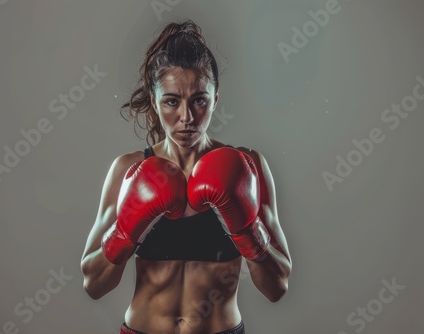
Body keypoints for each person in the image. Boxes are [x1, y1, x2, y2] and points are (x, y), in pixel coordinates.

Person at [80, 20, 292, 334]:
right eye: (171, 101)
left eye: (199, 100)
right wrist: (124, 233)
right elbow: (94, 284)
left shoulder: (247, 167)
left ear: (215, 99)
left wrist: (249, 232)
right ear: (154, 101)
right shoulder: (128, 170)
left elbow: (277, 287)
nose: (186, 118)